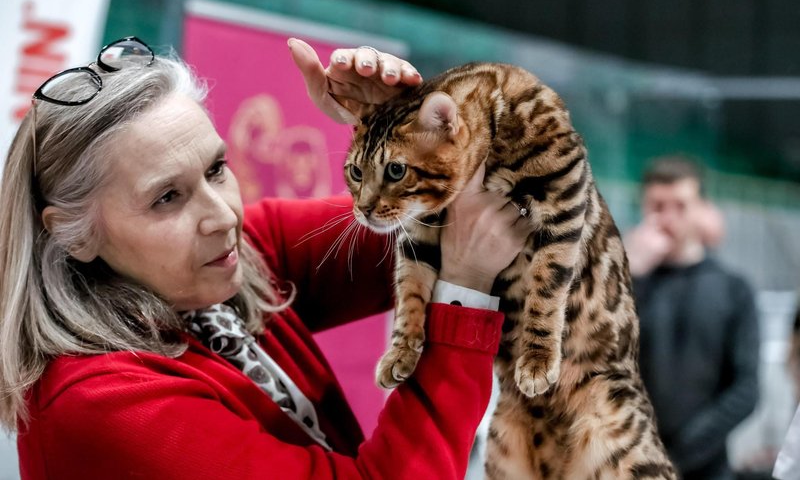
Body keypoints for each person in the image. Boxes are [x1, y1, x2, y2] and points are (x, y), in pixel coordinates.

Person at [0, 36, 531, 479]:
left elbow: (460, 215)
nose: (224, 216)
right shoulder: (102, 403)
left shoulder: (233, 254)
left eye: (215, 169)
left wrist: (402, 131)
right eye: (167, 198)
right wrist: (465, 288)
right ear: (75, 235)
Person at [624, 155, 760, 480]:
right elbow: (599, 360)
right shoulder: (627, 286)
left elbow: (746, 389)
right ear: (643, 208)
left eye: (681, 206)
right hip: (629, 462)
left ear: (701, 209)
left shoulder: (733, 288)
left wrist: (678, 455)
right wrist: (629, 276)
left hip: (706, 467)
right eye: (658, 206)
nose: (668, 218)